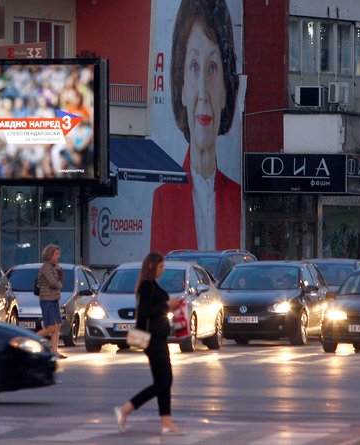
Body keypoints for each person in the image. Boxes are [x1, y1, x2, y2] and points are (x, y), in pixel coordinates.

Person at [150, 0, 240, 252]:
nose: (203, 92)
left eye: (212, 68)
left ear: (225, 89)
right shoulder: (163, 199)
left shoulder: (238, 197)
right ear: (181, 89)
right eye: (193, 67)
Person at [114, 252, 185, 435]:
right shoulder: (147, 286)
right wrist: (167, 305)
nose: (163, 270)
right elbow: (145, 311)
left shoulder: (152, 285)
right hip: (152, 340)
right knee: (163, 381)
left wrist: (173, 305)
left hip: (159, 338)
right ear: (152, 266)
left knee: (165, 380)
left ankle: (166, 422)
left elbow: (153, 308)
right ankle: (126, 410)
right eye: (161, 267)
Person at [36, 243, 65, 359]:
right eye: (56, 254)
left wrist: (60, 271)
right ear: (50, 255)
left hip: (54, 299)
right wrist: (59, 284)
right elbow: (54, 283)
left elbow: (59, 282)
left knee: (57, 326)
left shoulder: (53, 267)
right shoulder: (46, 267)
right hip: (47, 300)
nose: (58, 256)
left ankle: (55, 351)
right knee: (50, 327)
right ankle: (30, 340)